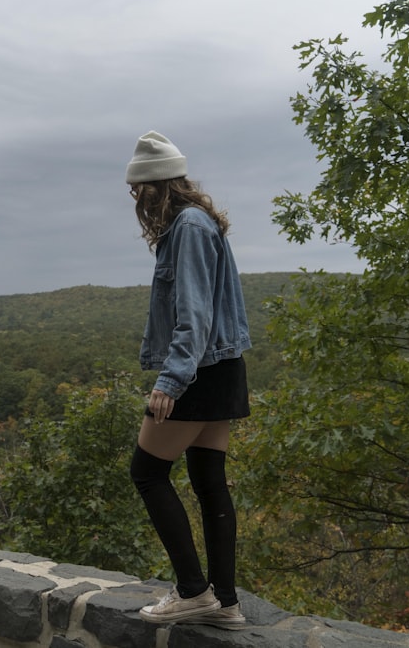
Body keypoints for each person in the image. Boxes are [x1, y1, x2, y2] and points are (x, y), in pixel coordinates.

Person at [126, 131, 252, 628]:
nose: (137, 201)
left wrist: (169, 382)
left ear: (155, 188)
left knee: (148, 472)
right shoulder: (198, 223)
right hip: (221, 369)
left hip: (198, 370)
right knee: (208, 482)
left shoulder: (189, 228)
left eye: (140, 191)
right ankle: (225, 603)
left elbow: (193, 315)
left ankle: (193, 591)